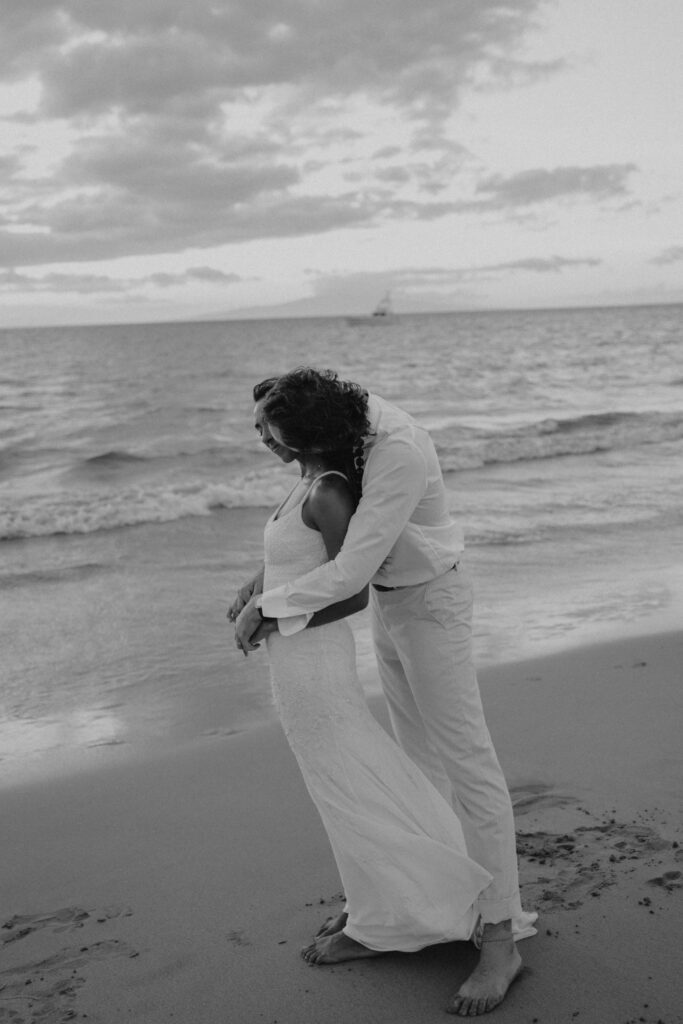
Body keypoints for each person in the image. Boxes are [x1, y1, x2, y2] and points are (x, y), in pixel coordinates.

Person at [233, 368, 536, 1017]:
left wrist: (266, 606)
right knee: (414, 761)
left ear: (308, 425)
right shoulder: (334, 440)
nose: (265, 439)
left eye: (272, 428)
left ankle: (500, 941)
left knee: (468, 766)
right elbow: (309, 538)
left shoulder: (394, 448)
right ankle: (416, 909)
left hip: (433, 604)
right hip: (396, 611)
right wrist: (263, 580)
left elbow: (351, 571)